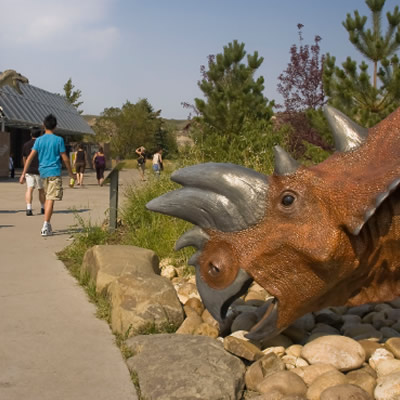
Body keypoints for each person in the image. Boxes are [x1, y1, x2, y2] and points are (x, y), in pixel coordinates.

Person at [19, 114, 76, 237]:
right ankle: (46, 225)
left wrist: (23, 173)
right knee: (50, 199)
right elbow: (65, 158)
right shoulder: (59, 140)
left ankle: (47, 223)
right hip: (54, 172)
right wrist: (71, 173)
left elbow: (29, 158)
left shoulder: (39, 140)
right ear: (55, 126)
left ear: (44, 125)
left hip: (43, 173)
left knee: (47, 197)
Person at [22, 127, 45, 216]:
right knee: (41, 190)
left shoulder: (26, 145)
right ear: (40, 135)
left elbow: (24, 157)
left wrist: (25, 168)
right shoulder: (42, 144)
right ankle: (43, 207)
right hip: (40, 170)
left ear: (31, 134)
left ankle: (29, 208)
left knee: (29, 189)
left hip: (29, 170)